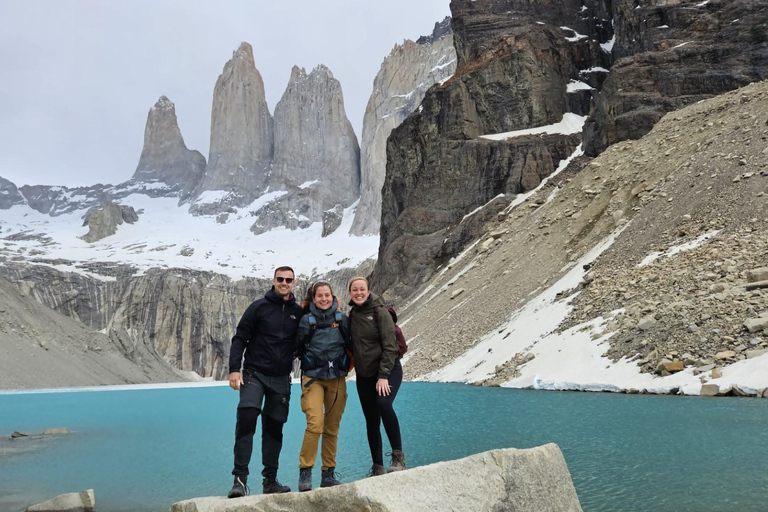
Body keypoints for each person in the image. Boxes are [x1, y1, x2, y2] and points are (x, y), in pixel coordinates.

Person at [227, 266, 304, 498]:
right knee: (247, 418)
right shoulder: (258, 307)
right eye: (280, 279)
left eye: (288, 280)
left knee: (274, 428)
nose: (284, 282)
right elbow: (240, 337)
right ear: (273, 280)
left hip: (281, 378)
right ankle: (239, 480)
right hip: (254, 374)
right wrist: (234, 369)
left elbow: (305, 343)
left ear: (293, 283)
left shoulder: (297, 313)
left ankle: (270, 481)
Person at [293, 281, 351, 492]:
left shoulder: (342, 319)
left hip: (336, 378)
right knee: (315, 424)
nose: (324, 299)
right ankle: (305, 471)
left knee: (332, 427)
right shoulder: (305, 321)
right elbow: (295, 346)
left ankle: (328, 474)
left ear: (333, 297)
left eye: (327, 295)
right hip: (313, 378)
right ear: (314, 298)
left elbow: (352, 344)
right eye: (320, 296)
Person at [347, 276, 406, 476]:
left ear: (369, 290)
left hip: (388, 371)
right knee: (371, 419)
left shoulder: (380, 312)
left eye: (362, 289)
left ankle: (398, 457)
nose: (359, 293)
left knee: (383, 404)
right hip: (364, 376)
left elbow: (390, 347)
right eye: (355, 290)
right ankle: (377, 467)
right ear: (350, 293)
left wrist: (383, 376)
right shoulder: (353, 314)